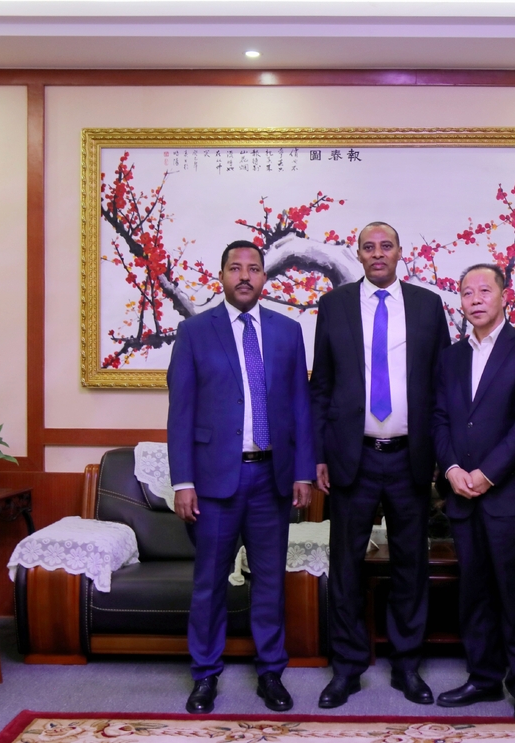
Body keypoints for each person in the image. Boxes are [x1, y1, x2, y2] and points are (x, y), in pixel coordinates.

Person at [167, 240, 315, 714]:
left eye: (254, 268)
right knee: (209, 583)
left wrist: (303, 472)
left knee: (270, 582)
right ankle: (205, 674)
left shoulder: (288, 331)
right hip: (213, 482)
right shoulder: (195, 332)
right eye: (235, 268)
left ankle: (271, 671)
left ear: (264, 277)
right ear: (222, 276)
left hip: (272, 477)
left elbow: (301, 407)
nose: (245, 276)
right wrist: (183, 481)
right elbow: (180, 412)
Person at [310, 221, 451, 708]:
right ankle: (347, 668)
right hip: (353, 456)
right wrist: (319, 454)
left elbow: (443, 384)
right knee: (346, 565)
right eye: (368, 247)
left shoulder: (428, 305)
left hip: (412, 456)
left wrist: (442, 454)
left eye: (385, 246)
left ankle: (407, 665)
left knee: (411, 565)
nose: (377, 254)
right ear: (358, 254)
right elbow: (322, 385)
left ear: (399, 252)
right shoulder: (335, 305)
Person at [431, 264, 515, 722]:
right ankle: (482, 678)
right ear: (460, 301)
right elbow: (440, 418)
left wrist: (487, 474)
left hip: (508, 495)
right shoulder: (450, 357)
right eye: (467, 292)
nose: (476, 299)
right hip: (461, 493)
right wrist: (452, 469)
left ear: (504, 296)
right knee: (474, 592)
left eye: (484, 290)